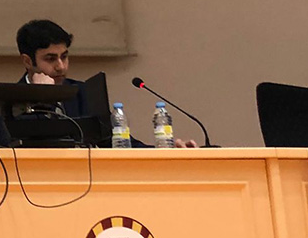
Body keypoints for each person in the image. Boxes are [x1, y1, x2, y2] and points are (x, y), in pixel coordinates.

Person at [11, 19, 197, 148]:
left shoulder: (82, 92)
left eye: (64, 57)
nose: (61, 66)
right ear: (28, 61)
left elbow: (117, 141)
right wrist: (43, 98)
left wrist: (166, 152)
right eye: (51, 59)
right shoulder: (9, 102)